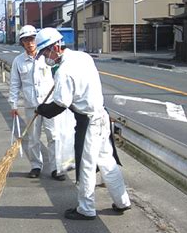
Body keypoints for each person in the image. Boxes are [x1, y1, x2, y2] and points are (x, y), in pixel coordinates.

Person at [34, 28, 131, 220]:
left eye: (45, 52)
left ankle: (86, 208)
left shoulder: (64, 71)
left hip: (89, 122)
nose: (45, 57)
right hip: (102, 115)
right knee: (106, 160)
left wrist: (41, 109)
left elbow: (60, 104)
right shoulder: (83, 57)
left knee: (86, 165)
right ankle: (122, 201)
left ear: (55, 47)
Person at [8, 25, 66, 181]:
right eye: (26, 40)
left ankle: (56, 168)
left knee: (53, 136)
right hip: (31, 105)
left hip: (50, 104)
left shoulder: (47, 56)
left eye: (32, 39)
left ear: (37, 40)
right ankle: (35, 165)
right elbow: (14, 84)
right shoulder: (18, 61)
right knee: (33, 138)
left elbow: (59, 77)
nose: (30, 43)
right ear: (22, 43)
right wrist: (13, 104)